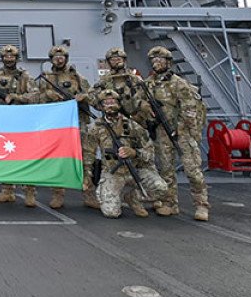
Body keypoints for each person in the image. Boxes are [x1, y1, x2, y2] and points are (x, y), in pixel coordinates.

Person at [145, 45, 211, 221]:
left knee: (192, 170)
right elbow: (140, 102)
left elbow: (189, 110)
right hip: (162, 132)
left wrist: (178, 129)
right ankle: (170, 203)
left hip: (182, 133)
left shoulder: (179, 83)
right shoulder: (149, 84)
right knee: (166, 170)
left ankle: (201, 205)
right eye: (154, 60)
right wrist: (145, 108)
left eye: (160, 59)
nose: (157, 63)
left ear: (168, 62)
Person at [84, 91, 168, 219]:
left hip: (135, 169)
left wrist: (134, 153)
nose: (110, 105)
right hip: (113, 172)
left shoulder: (133, 125)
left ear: (119, 104)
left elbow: (150, 152)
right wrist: (87, 176)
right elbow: (88, 153)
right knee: (111, 212)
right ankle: (113, 196)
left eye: (113, 102)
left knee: (161, 188)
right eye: (106, 103)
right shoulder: (95, 128)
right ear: (101, 107)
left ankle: (133, 198)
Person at [91, 46, 152, 215]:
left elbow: (146, 97)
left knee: (143, 160)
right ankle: (111, 190)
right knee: (113, 157)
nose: (116, 61)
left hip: (135, 123)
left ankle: (137, 197)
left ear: (124, 60)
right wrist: (107, 107)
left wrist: (142, 108)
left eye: (119, 58)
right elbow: (92, 97)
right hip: (111, 125)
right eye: (112, 59)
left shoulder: (135, 79)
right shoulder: (104, 82)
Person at [34, 45, 93, 209]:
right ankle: (58, 193)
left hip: (77, 121)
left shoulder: (77, 77)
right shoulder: (46, 78)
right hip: (57, 124)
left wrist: (83, 97)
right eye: (55, 57)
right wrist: (47, 95)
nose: (59, 60)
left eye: (62, 57)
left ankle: (88, 193)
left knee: (85, 156)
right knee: (58, 157)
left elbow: (92, 95)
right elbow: (35, 98)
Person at [0, 44, 38, 207]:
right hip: (4, 121)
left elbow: (35, 96)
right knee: (5, 155)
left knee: (25, 156)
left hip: (22, 121)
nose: (9, 59)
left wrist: (15, 97)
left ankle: (29, 192)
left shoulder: (24, 76)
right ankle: (7, 190)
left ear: (16, 58)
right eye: (6, 56)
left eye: (12, 56)